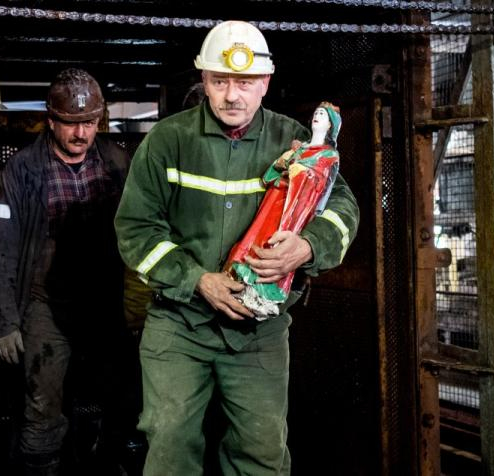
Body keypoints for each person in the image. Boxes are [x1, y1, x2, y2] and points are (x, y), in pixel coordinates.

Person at [113, 20, 359, 475]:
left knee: (261, 453)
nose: (232, 95)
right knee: (169, 443)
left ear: (265, 82)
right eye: (221, 81)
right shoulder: (167, 142)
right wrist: (197, 280)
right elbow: (136, 230)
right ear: (204, 81)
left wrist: (307, 246)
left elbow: (343, 209)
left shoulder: (295, 142)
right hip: (179, 325)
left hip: (258, 333)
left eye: (245, 83)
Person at [0, 68, 136, 475]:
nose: (81, 134)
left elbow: (141, 236)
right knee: (42, 408)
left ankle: (104, 462)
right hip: (46, 305)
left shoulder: (117, 163)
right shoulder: (21, 170)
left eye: (89, 123)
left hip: (105, 303)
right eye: (71, 124)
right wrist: (3, 322)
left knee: (122, 397)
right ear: (51, 121)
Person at [224, 102, 342, 318]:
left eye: (323, 115)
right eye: (316, 113)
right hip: (276, 200)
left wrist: (297, 169)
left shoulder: (328, 156)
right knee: (258, 238)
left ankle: (264, 293)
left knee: (277, 247)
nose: (317, 117)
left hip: (295, 208)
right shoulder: (300, 148)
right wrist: (283, 164)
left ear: (331, 126)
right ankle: (245, 282)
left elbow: (322, 187)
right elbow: (271, 174)